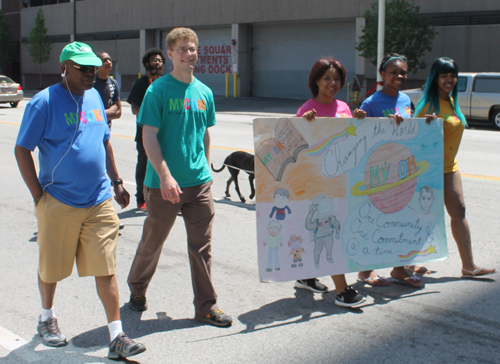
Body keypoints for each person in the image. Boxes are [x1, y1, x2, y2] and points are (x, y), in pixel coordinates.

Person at [14, 42, 145, 359]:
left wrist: (116, 182)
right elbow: (22, 149)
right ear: (64, 68)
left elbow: (104, 141)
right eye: (83, 68)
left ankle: (117, 336)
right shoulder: (43, 103)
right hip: (58, 199)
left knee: (106, 268)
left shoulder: (95, 97)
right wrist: (38, 196)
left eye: (92, 68)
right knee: (52, 268)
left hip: (98, 199)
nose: (90, 73)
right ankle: (47, 318)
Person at [127, 27, 233, 327]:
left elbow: (204, 133)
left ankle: (207, 306)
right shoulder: (157, 90)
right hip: (163, 185)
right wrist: (164, 176)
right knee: (153, 242)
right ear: (170, 54)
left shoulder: (204, 92)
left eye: (193, 48)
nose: (190, 54)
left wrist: (206, 169)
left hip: (198, 183)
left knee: (202, 247)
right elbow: (149, 136)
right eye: (183, 49)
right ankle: (137, 288)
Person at [295, 57, 367, 308]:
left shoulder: (345, 108)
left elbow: (351, 142)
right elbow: (299, 148)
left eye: (337, 79)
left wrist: (357, 122)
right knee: (331, 233)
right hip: (318, 182)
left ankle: (306, 276)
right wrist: (306, 125)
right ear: (316, 80)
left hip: (342, 178)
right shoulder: (306, 109)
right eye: (327, 78)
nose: (332, 83)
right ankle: (342, 290)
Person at [414, 57, 496, 278]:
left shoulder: (451, 101)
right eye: (444, 75)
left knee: (459, 210)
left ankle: (468, 266)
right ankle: (405, 265)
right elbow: (414, 139)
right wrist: (426, 125)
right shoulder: (428, 105)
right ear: (435, 78)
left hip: (450, 167)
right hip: (428, 171)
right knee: (422, 217)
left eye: (452, 75)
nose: (449, 80)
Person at [358, 54, 428, 288]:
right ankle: (366, 271)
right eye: (394, 72)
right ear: (383, 75)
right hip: (379, 173)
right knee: (377, 221)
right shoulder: (370, 103)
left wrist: (427, 122)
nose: (400, 76)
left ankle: (399, 270)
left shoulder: (407, 100)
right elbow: (359, 139)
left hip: (404, 172)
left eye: (403, 72)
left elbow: (413, 131)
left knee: (402, 219)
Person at [127, 48, 166, 210]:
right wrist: (150, 109)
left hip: (165, 134)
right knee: (144, 165)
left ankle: (165, 197)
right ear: (146, 64)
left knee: (165, 165)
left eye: (159, 60)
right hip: (145, 133)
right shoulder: (140, 84)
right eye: (153, 60)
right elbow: (134, 109)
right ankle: (141, 198)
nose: (157, 63)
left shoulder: (166, 82)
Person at [95, 52, 121, 130]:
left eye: (110, 60)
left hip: (107, 128)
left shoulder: (114, 83)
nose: (109, 62)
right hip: (93, 128)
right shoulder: (90, 82)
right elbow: (87, 114)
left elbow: (118, 112)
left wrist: (99, 115)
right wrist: (108, 112)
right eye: (105, 60)